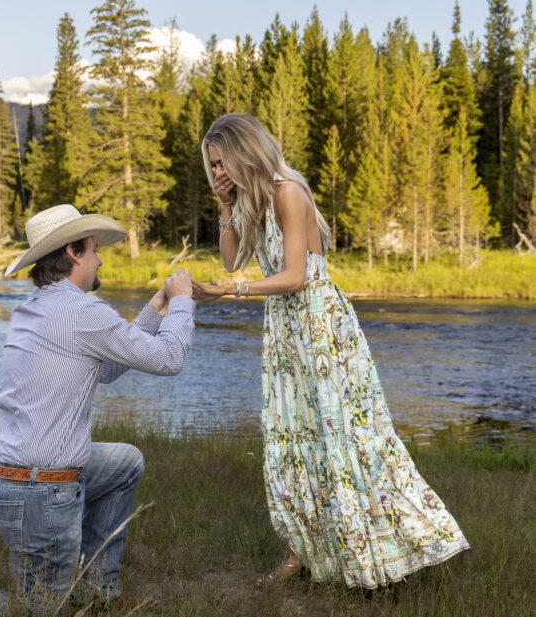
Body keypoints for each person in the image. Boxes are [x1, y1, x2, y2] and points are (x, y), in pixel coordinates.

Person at [0, 204, 196, 617]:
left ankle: (96, 590)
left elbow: (110, 369)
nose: (101, 258)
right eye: (95, 249)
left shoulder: (38, 307)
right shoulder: (82, 312)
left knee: (125, 463)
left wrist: (156, 307)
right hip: (38, 489)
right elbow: (170, 358)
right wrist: (183, 303)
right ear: (74, 252)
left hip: (10, 476)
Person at [192, 114, 469, 590]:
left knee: (347, 440)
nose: (217, 172)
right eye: (212, 165)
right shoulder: (251, 202)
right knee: (295, 441)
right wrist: (225, 208)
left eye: (223, 163)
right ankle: (305, 551)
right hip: (286, 331)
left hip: (321, 330)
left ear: (245, 152)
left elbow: (296, 276)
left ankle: (389, 551)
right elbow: (232, 259)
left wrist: (229, 291)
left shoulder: (287, 192)